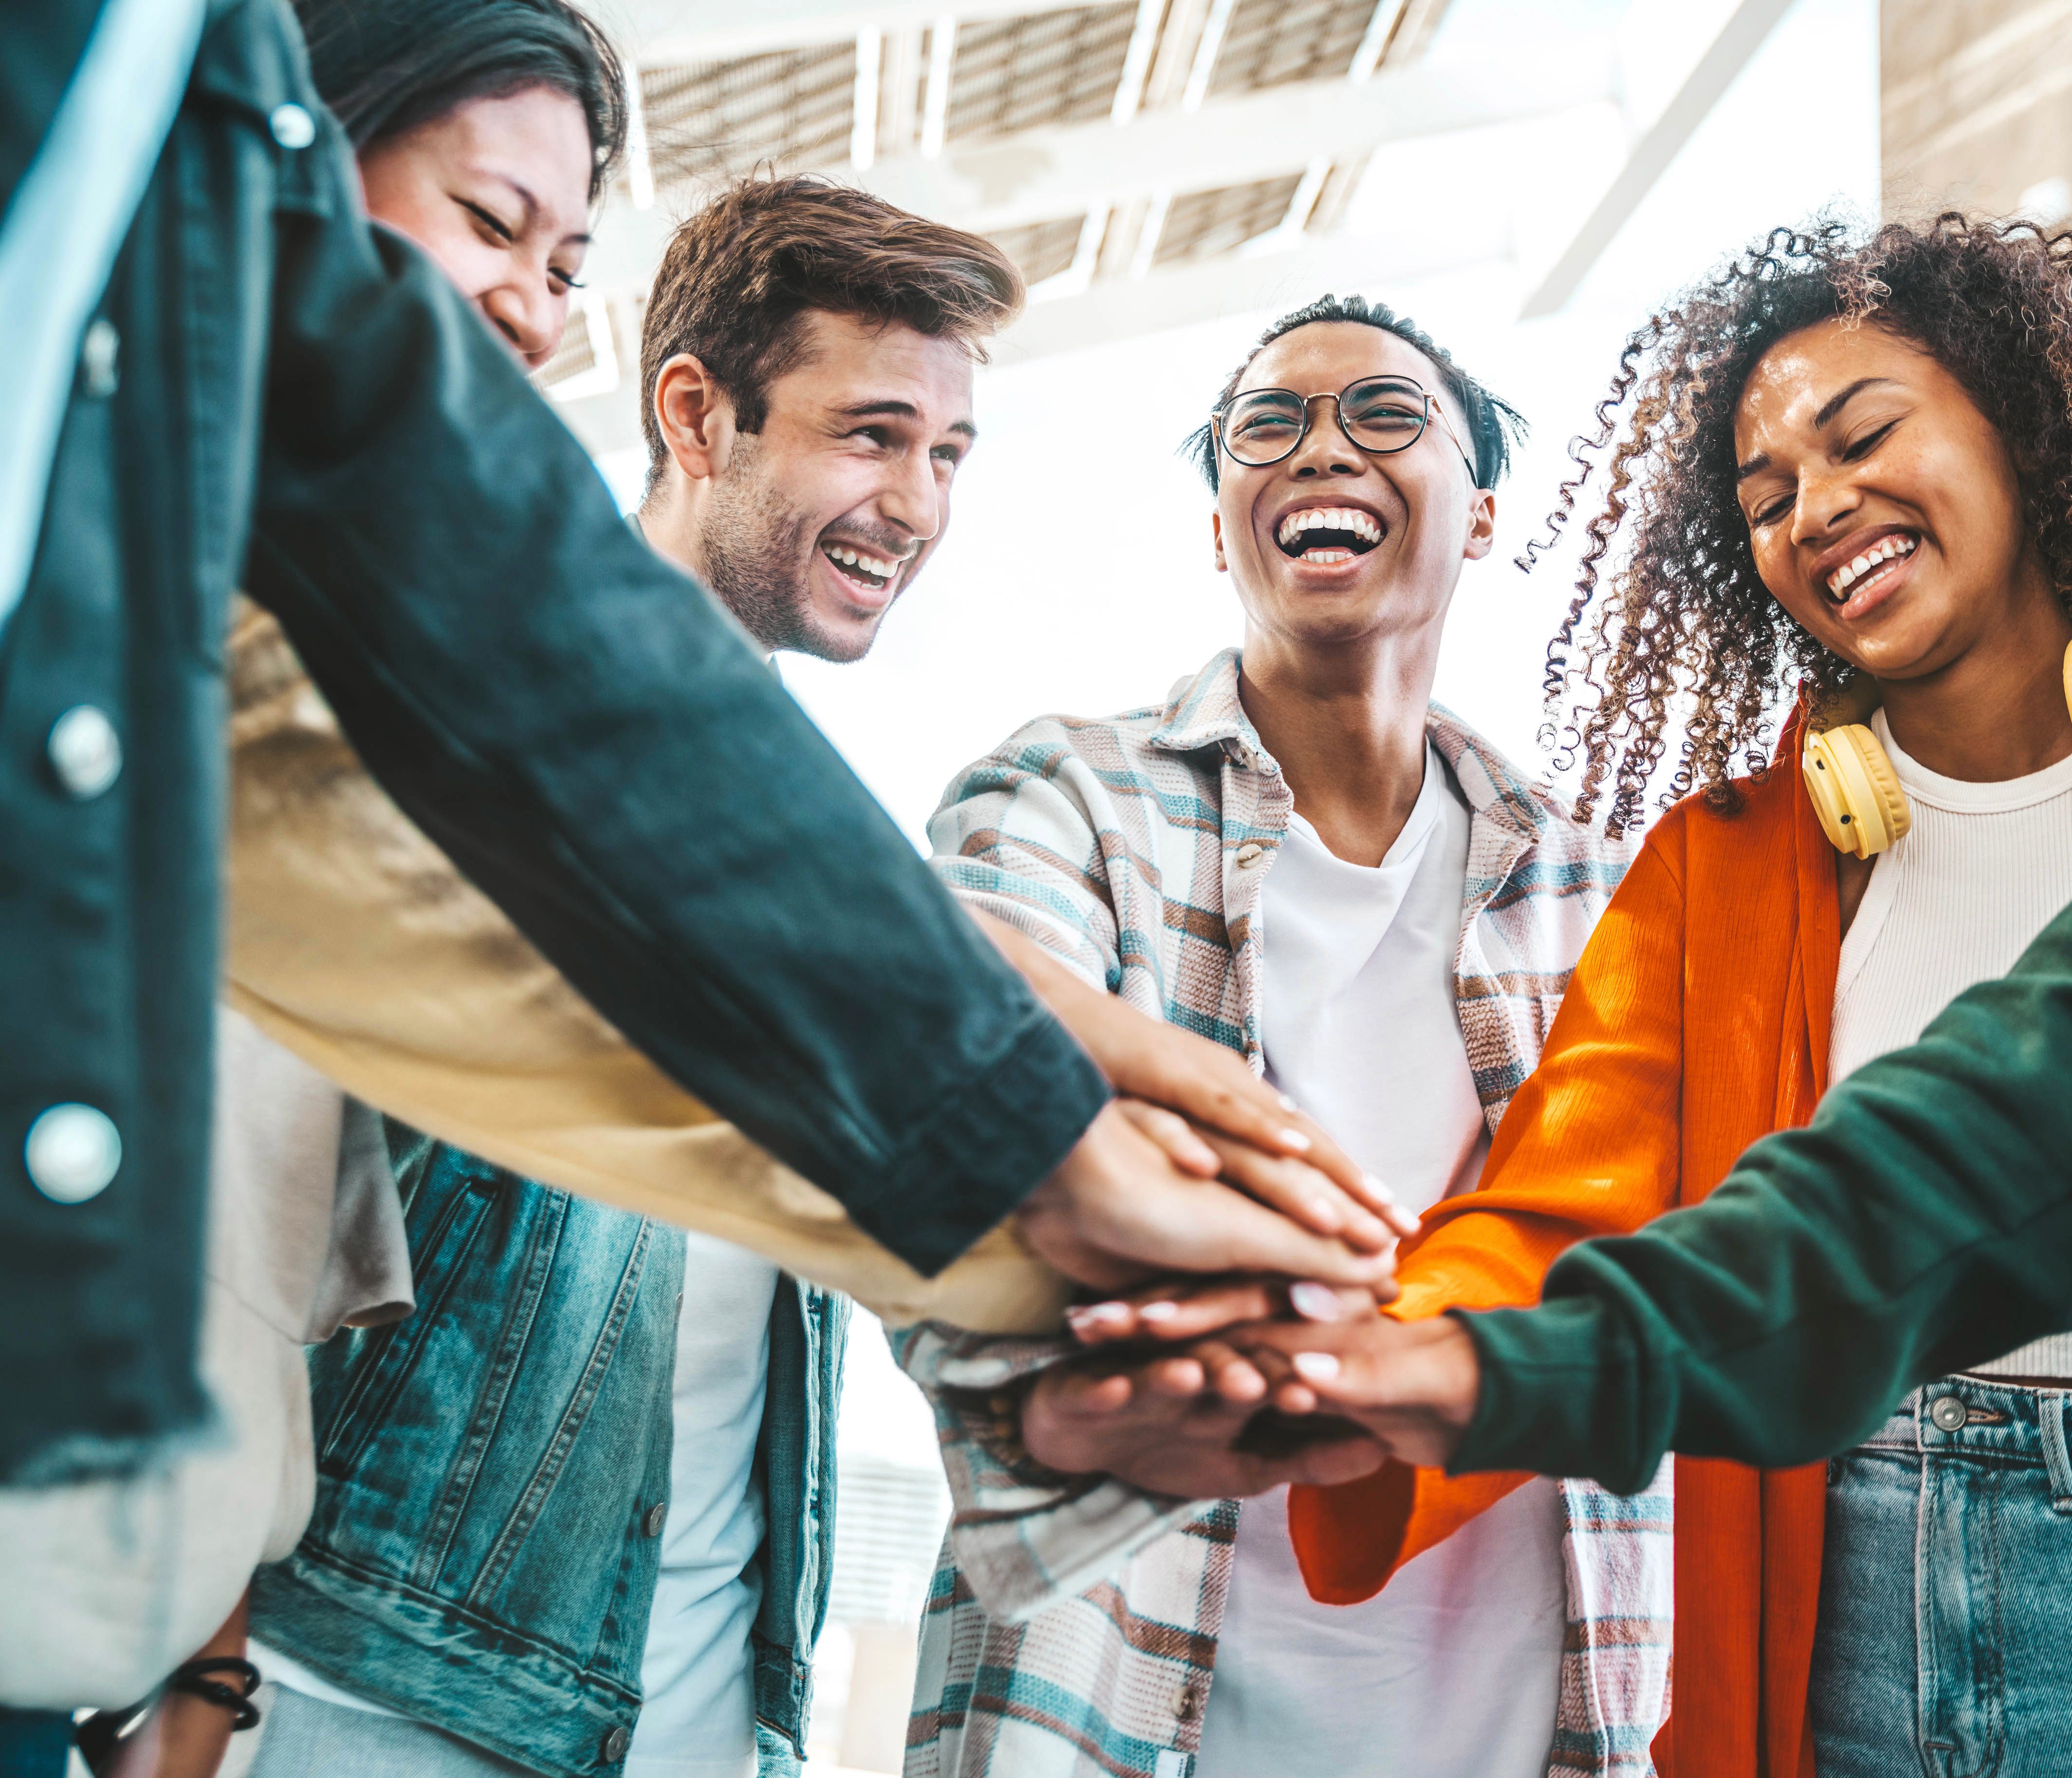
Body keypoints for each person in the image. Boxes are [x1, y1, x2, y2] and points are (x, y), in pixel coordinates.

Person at [1051, 0, 2072, 1768]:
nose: (1815, 505)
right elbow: (1563, 1210)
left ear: (2026, 427)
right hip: (1850, 1574)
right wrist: (1412, 1371)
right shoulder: (1727, 876)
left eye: (1864, 434)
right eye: (1763, 490)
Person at [0, 0, 1388, 1769]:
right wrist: (1036, 1137)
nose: (918, 502)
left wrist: (1041, 1226)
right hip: (383, 1690)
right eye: (872, 433)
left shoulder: (827, 857)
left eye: (950, 453)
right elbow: (259, 1201)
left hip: (692, 1706)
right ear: (695, 415)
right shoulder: (350, 687)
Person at [896, 295, 1663, 1778]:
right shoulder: (1069, 792)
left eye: (1386, 416)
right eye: (1268, 426)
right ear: (1219, 526)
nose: (1323, 448)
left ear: (1482, 515)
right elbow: (947, 1015)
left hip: (1521, 1705)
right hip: (1112, 1698)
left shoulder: (1596, 889)